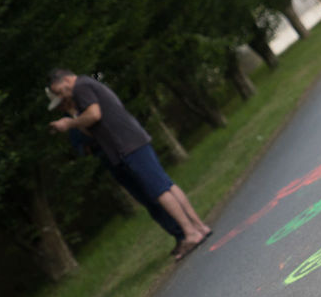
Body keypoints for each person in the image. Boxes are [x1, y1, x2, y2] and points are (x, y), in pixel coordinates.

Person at [46, 69, 210, 259]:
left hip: (126, 145)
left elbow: (94, 115)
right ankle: (199, 227)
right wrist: (74, 118)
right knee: (166, 185)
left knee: (159, 190)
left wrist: (69, 124)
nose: (61, 95)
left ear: (66, 79)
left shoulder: (81, 87)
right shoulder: (88, 84)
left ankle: (190, 233)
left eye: (59, 91)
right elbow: (94, 126)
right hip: (131, 141)